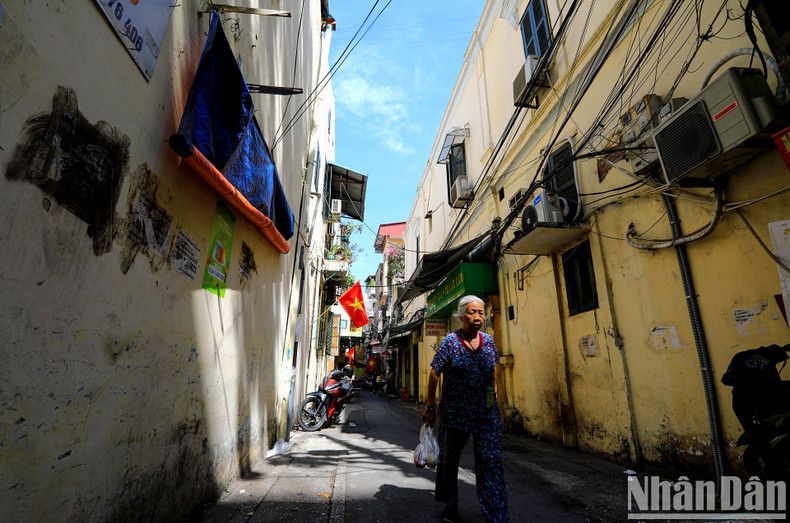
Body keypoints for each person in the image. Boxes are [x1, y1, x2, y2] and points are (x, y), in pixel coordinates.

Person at [422, 295, 508, 523]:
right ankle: (451, 505)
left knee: (491, 463)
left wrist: (494, 401)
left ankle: (496, 513)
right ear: (461, 316)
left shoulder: (489, 342)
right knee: (449, 461)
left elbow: (492, 371)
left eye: (481, 312)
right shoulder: (450, 342)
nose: (477, 317)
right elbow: (434, 373)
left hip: (485, 414)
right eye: (472, 312)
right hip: (454, 414)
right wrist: (430, 407)